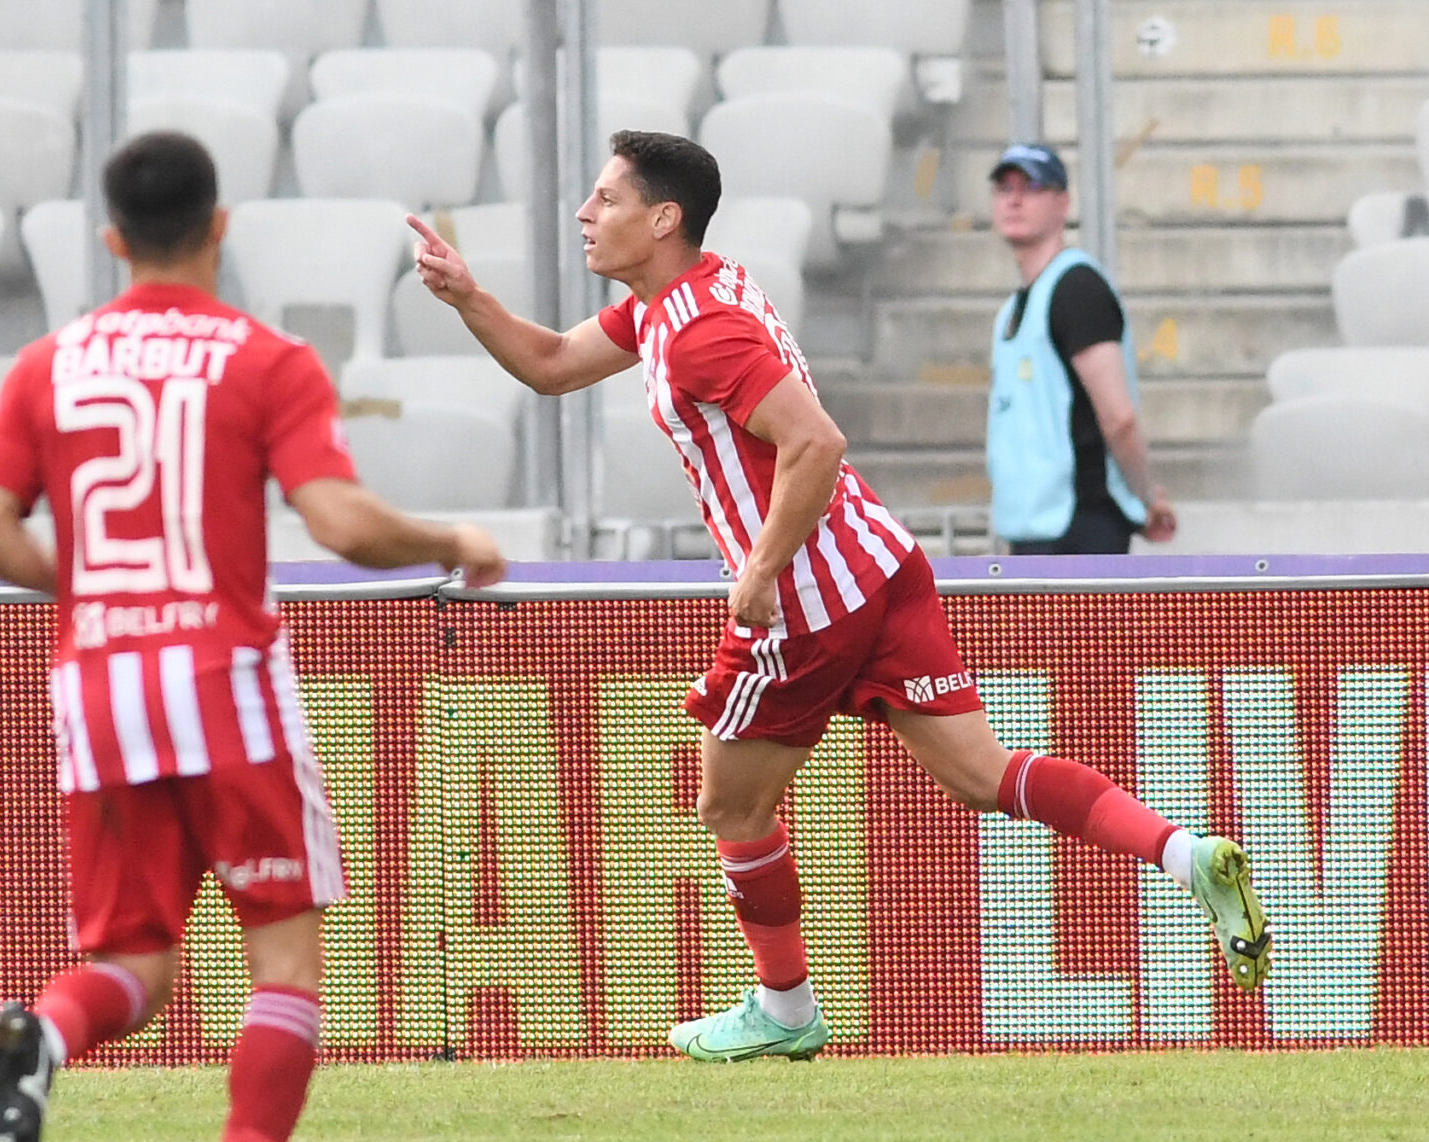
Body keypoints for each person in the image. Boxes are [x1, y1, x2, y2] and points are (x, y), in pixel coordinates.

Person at [409, 129, 1268, 1064]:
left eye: (606, 199)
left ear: (662, 220)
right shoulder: (679, 300)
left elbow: (816, 441)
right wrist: (469, 297)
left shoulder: (698, 332)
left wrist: (760, 569)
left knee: (731, 809)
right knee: (981, 775)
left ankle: (785, 1007)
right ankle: (1187, 854)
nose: (585, 213)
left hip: (808, 601)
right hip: (880, 564)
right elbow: (549, 364)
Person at [0, 130, 507, 1142]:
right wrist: (452, 539)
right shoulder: (264, 359)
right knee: (285, 963)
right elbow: (339, 521)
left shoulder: (49, 364)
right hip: (225, 689)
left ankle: (45, 1034)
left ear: (110, 239)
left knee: (134, 962)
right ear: (219, 227)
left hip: (102, 688)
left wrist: (101, 587)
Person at [986, 142, 1178, 555]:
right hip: (1034, 527)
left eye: (1031, 187)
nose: (1014, 200)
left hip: (1079, 526)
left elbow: (1118, 418)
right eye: (1004, 188)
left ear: (1063, 202)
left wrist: (1146, 497)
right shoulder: (1014, 309)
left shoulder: (1077, 289)